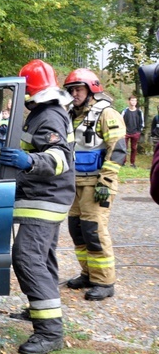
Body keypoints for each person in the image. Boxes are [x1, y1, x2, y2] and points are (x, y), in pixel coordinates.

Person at [0, 59, 75, 354]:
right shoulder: (46, 113)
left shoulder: (49, 116)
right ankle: (41, 310)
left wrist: (29, 162)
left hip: (45, 198)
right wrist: (2, 165)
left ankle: (50, 333)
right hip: (46, 194)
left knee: (26, 256)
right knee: (42, 257)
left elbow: (59, 157)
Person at [63, 68, 126, 301]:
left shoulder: (106, 113)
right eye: (71, 89)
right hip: (75, 183)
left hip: (97, 184)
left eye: (78, 89)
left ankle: (104, 281)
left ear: (91, 89)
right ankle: (88, 274)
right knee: (77, 229)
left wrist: (106, 182)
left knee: (94, 231)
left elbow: (117, 149)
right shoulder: (70, 114)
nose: (74, 93)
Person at [121, 95, 143, 167]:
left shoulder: (139, 112)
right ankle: (123, 162)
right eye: (132, 100)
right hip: (125, 133)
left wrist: (139, 132)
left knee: (134, 148)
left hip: (135, 133)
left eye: (135, 100)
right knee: (124, 148)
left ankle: (132, 163)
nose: (133, 102)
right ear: (129, 101)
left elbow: (142, 123)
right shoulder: (125, 111)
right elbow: (120, 121)